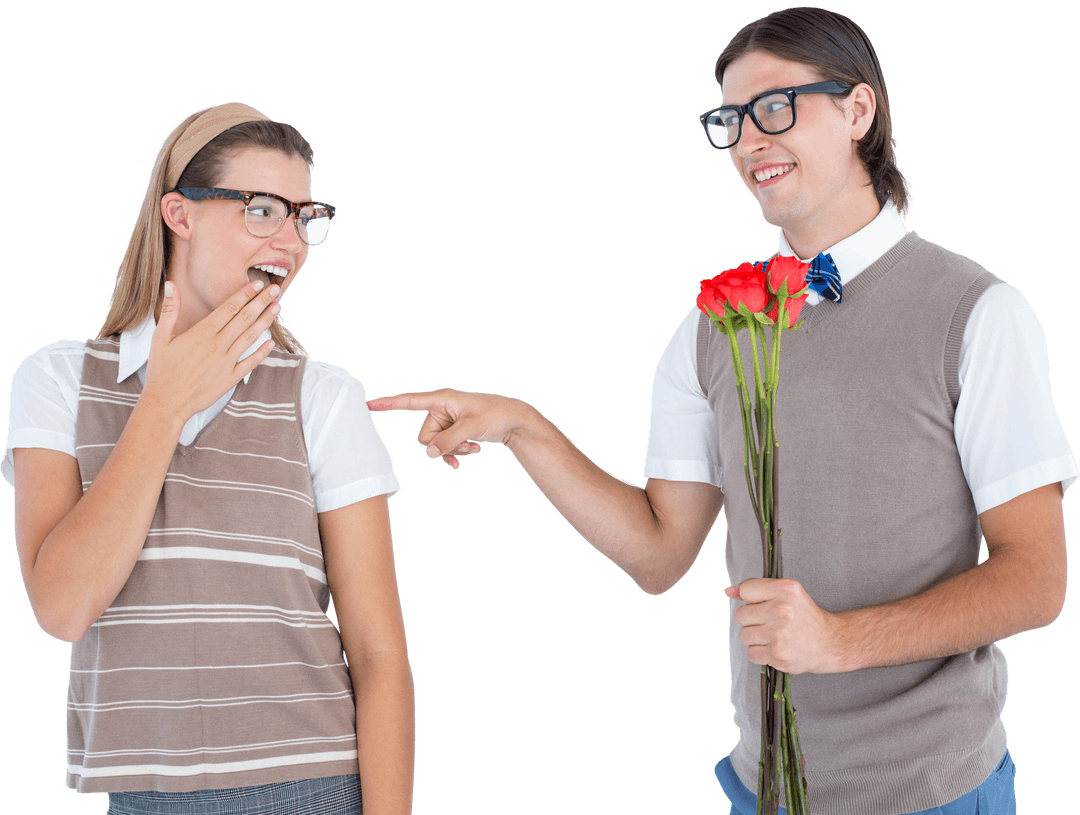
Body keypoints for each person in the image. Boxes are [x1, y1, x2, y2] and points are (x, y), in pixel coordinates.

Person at [367, 7, 1074, 815]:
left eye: (775, 107)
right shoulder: (713, 326)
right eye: (730, 121)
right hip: (761, 789)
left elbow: (1036, 579)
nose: (749, 140)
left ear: (858, 111)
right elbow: (660, 554)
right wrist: (526, 427)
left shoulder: (978, 312)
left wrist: (839, 641)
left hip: (932, 792)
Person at [2, 102, 417, 815]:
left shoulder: (321, 397)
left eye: (303, 214)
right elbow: (64, 606)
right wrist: (162, 405)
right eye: (261, 209)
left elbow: (379, 657)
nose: (290, 238)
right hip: (138, 800)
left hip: (309, 790)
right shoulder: (57, 380)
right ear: (179, 213)